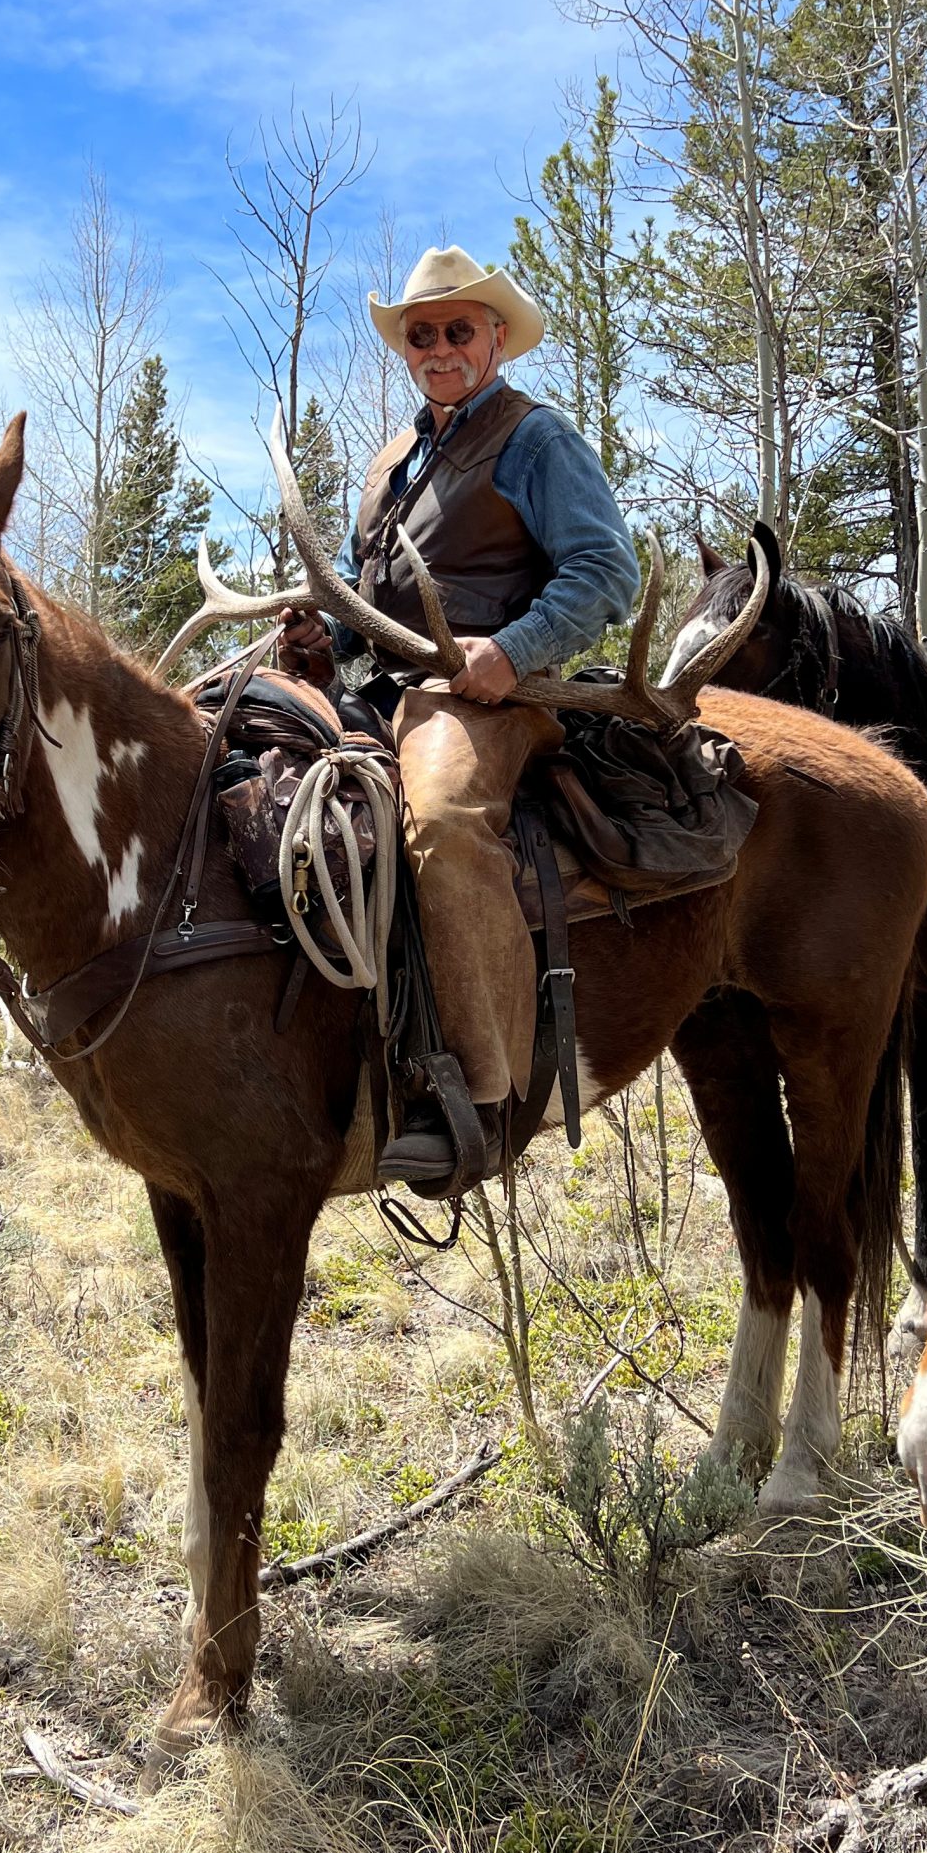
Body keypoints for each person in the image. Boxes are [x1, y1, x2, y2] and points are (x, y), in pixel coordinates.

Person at [278, 245, 638, 1182]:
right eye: (423, 333)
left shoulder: (534, 438)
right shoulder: (390, 461)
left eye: (459, 330)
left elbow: (609, 572)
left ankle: (479, 1098)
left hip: (494, 701)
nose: (440, 346)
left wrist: (512, 651)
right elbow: (373, 604)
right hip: (386, 691)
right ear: (406, 348)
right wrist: (327, 644)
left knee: (437, 818)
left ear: (495, 339)